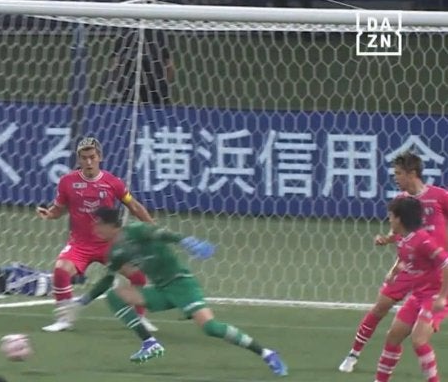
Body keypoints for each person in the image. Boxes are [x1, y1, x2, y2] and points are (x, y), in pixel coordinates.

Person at [62, 207, 288, 376]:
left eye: (99, 224)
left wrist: (186, 241)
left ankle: (267, 353)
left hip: (181, 284)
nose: (95, 229)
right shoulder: (115, 251)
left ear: (112, 225)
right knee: (115, 295)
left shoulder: (136, 230)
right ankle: (150, 343)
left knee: (210, 327)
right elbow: (107, 279)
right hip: (161, 290)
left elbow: (161, 234)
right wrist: (83, 301)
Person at [339, 151, 448, 372]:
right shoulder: (401, 201)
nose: (395, 178)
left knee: (417, 335)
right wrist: (388, 240)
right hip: (408, 267)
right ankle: (353, 354)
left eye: (398, 173)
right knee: (380, 306)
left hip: (436, 271)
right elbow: (401, 233)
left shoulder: (439, 196)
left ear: (412, 173)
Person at [37, 137, 155, 332]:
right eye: (84, 158)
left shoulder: (113, 182)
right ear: (79, 159)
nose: (89, 162)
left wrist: (152, 227)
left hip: (109, 245)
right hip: (79, 245)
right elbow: (59, 209)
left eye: (92, 157)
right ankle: (64, 319)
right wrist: (49, 214)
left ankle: (140, 318)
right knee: (60, 271)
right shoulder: (67, 182)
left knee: (138, 275)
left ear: (100, 157)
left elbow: (133, 206)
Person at [372, 197, 448, 382]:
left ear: (399, 219)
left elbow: (446, 263)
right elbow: (410, 261)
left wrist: (442, 297)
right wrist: (394, 273)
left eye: (391, 216)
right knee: (393, 336)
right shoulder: (403, 239)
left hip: (433, 296)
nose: (389, 220)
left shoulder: (423, 240)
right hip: (418, 295)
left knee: (418, 340)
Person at [109, 28, 173, 106]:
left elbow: (115, 65)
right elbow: (169, 65)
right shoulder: (158, 34)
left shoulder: (125, 33)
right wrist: (165, 85)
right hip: (154, 84)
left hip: (131, 82)